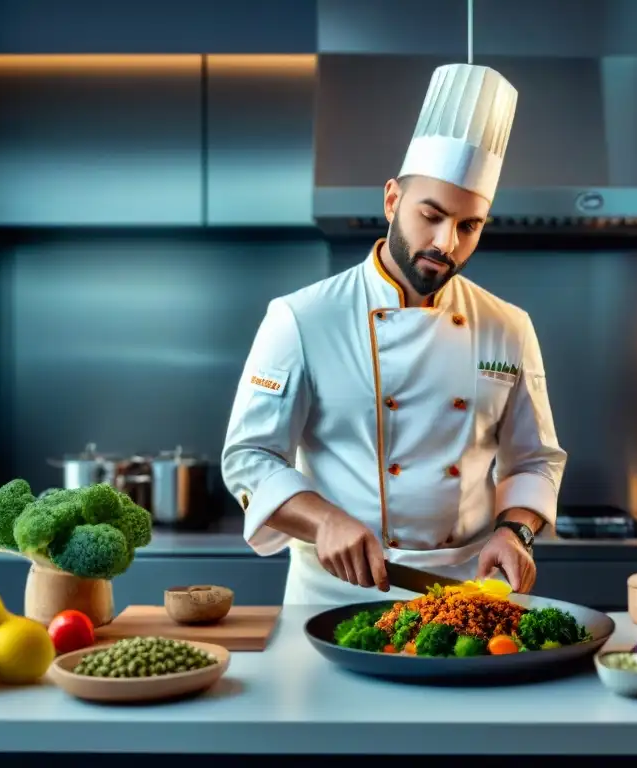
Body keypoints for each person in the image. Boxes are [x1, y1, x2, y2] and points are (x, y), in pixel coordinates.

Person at [221, 62, 567, 605]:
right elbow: (250, 457)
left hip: (469, 595)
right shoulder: (301, 318)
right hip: (335, 596)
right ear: (391, 200)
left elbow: (534, 460)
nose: (445, 242)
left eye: (468, 225)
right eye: (431, 214)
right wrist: (324, 520)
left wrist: (514, 530)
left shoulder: (507, 326)